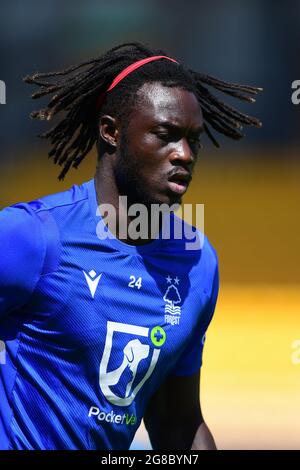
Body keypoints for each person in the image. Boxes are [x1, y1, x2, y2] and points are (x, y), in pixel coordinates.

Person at [0, 42, 261, 450]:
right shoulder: (31, 237)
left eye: (194, 140)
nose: (185, 154)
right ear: (111, 132)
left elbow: (177, 422)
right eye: (166, 134)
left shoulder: (195, 262)